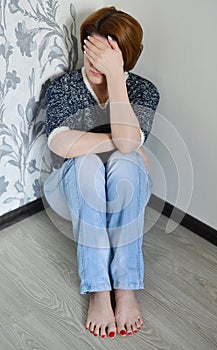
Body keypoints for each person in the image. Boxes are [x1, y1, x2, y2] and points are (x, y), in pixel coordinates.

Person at [44, 6, 160, 339]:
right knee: (87, 162)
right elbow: (62, 145)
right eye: (90, 52)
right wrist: (125, 142)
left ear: (126, 58)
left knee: (126, 163)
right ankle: (97, 288)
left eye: (106, 57)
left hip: (125, 186)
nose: (94, 64)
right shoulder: (64, 87)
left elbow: (125, 151)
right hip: (70, 191)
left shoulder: (143, 91)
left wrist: (116, 78)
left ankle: (124, 288)